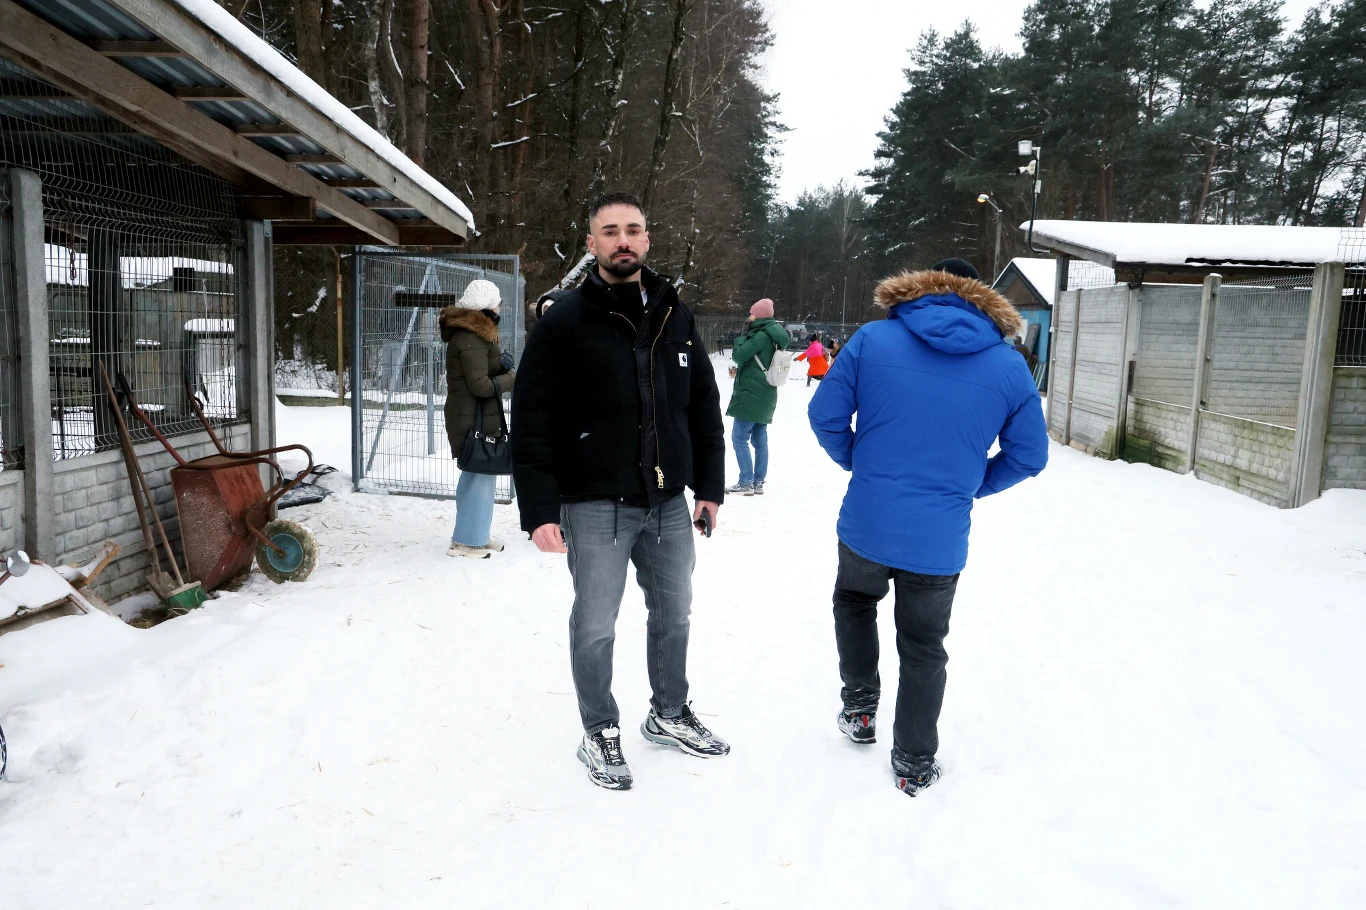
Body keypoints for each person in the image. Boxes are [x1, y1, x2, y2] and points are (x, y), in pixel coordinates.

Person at [511, 191, 730, 791]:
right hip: (592, 503)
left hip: (667, 502)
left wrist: (709, 485)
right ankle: (598, 729)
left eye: (633, 229)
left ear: (648, 239)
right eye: (609, 231)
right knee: (596, 623)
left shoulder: (674, 315)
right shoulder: (562, 324)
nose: (622, 240)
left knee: (674, 615)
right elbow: (532, 422)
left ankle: (667, 712)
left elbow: (704, 409)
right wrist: (538, 508)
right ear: (591, 244)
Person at [808, 257, 1048, 797]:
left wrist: (861, 464)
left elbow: (824, 416)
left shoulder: (872, 340)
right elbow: (1030, 456)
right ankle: (914, 761)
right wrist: (970, 485)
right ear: (981, 299)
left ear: (921, 290)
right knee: (923, 645)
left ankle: (860, 707)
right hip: (939, 538)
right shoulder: (1008, 367)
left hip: (867, 520)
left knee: (854, 601)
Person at [441, 279, 516, 559]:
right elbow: (480, 385)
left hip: (475, 416)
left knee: (480, 478)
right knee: (477, 478)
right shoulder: (470, 337)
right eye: (496, 301)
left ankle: (476, 535)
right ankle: (466, 543)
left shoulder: (475, 335)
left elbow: (482, 369)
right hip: (471, 417)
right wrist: (510, 377)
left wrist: (500, 364)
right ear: (485, 305)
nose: (500, 307)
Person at [725, 298, 789, 496]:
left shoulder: (760, 336)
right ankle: (758, 481)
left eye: (751, 313)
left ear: (759, 315)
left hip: (751, 393)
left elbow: (739, 356)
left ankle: (746, 481)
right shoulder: (773, 335)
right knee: (760, 439)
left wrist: (743, 336)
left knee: (739, 438)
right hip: (767, 392)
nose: (749, 316)